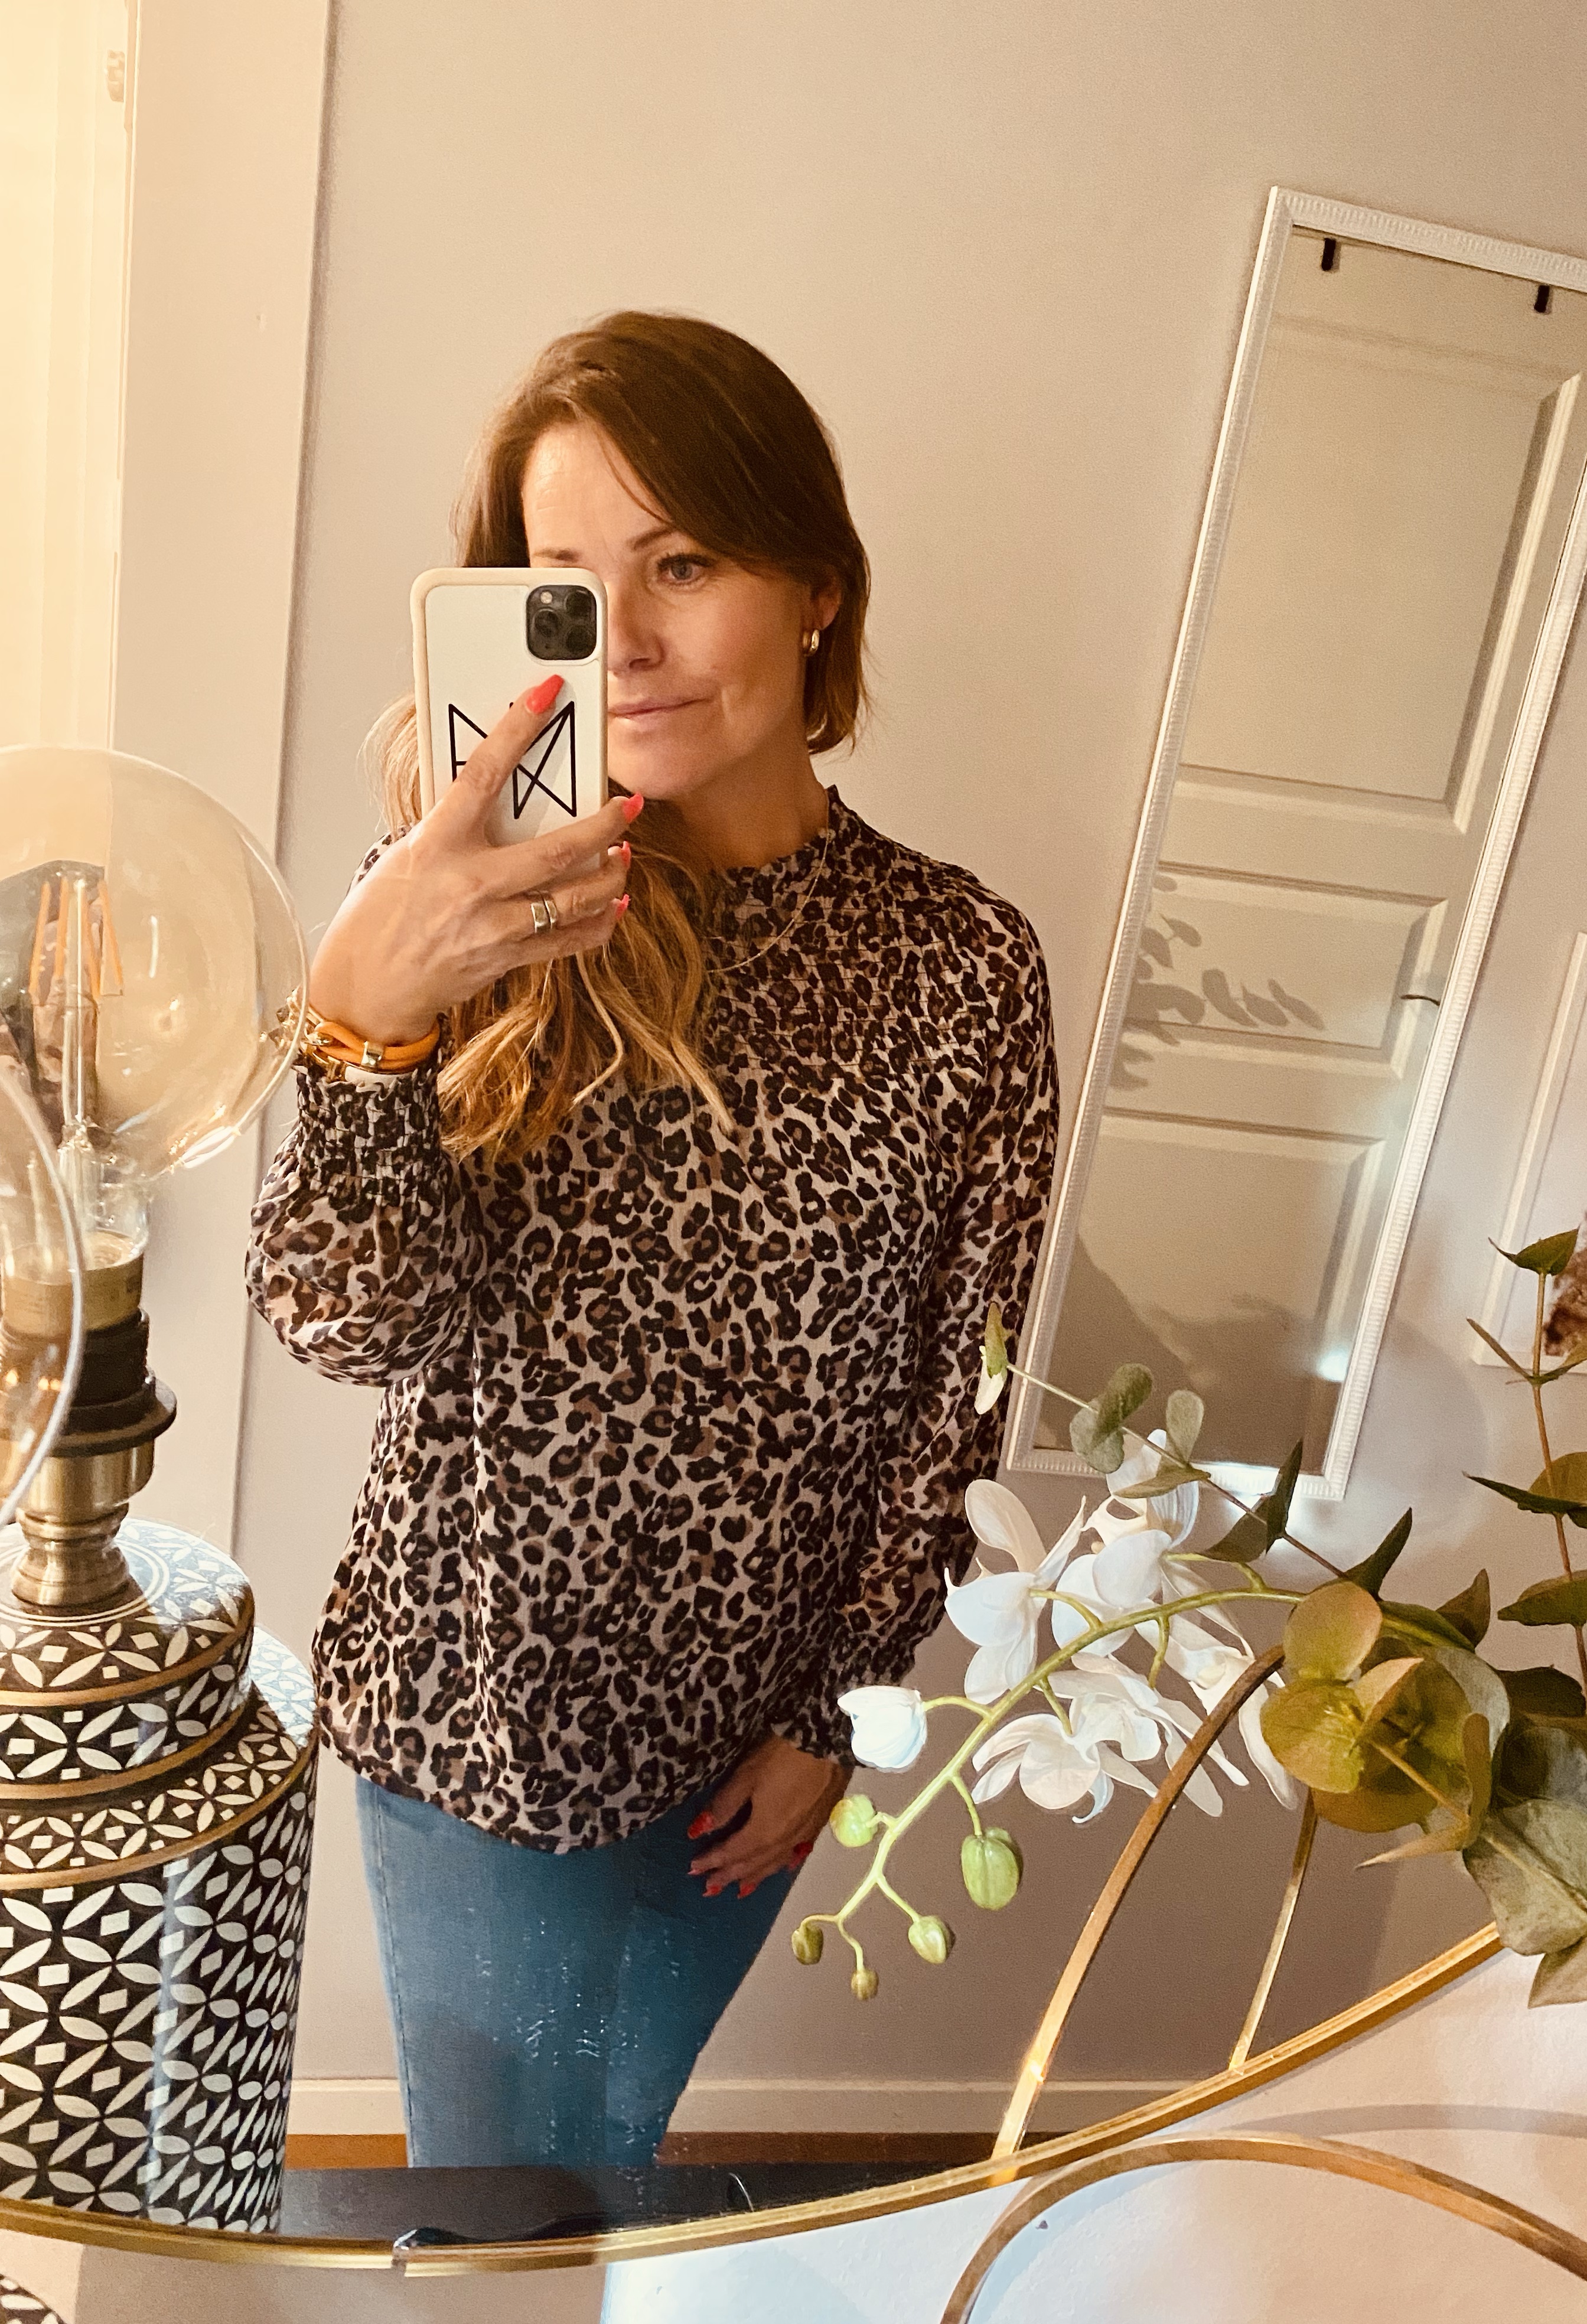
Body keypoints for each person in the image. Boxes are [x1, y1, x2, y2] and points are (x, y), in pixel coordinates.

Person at [245, 312, 1058, 2169]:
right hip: (482, 1711)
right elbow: (353, 1328)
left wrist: (841, 1711)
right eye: (564, 580)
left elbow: (959, 1389)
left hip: (752, 1733)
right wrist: (365, 1024)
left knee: (615, 2146)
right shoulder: (472, 908)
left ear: (817, 591)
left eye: (681, 563)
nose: (620, 638)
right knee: (501, 2198)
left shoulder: (960, 961)